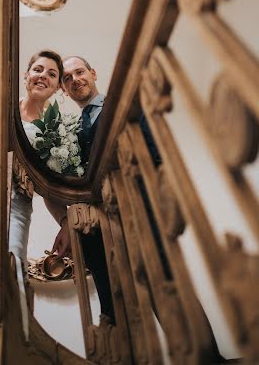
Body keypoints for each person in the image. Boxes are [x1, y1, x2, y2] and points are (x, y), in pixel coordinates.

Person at [45, 56, 225, 361]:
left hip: (140, 209)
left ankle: (204, 359)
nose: (75, 79)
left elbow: (154, 155)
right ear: (64, 89)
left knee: (164, 284)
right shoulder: (71, 132)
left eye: (79, 72)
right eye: (67, 78)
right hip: (103, 228)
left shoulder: (124, 106)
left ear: (93, 73)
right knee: (119, 299)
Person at [9, 49, 63, 337]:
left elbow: (51, 189)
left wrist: (65, 224)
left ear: (57, 87)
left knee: (12, 262)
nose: (43, 76)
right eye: (38, 69)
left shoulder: (54, 132)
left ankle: (15, 336)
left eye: (52, 74)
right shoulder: (4, 109)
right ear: (26, 75)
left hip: (18, 205)